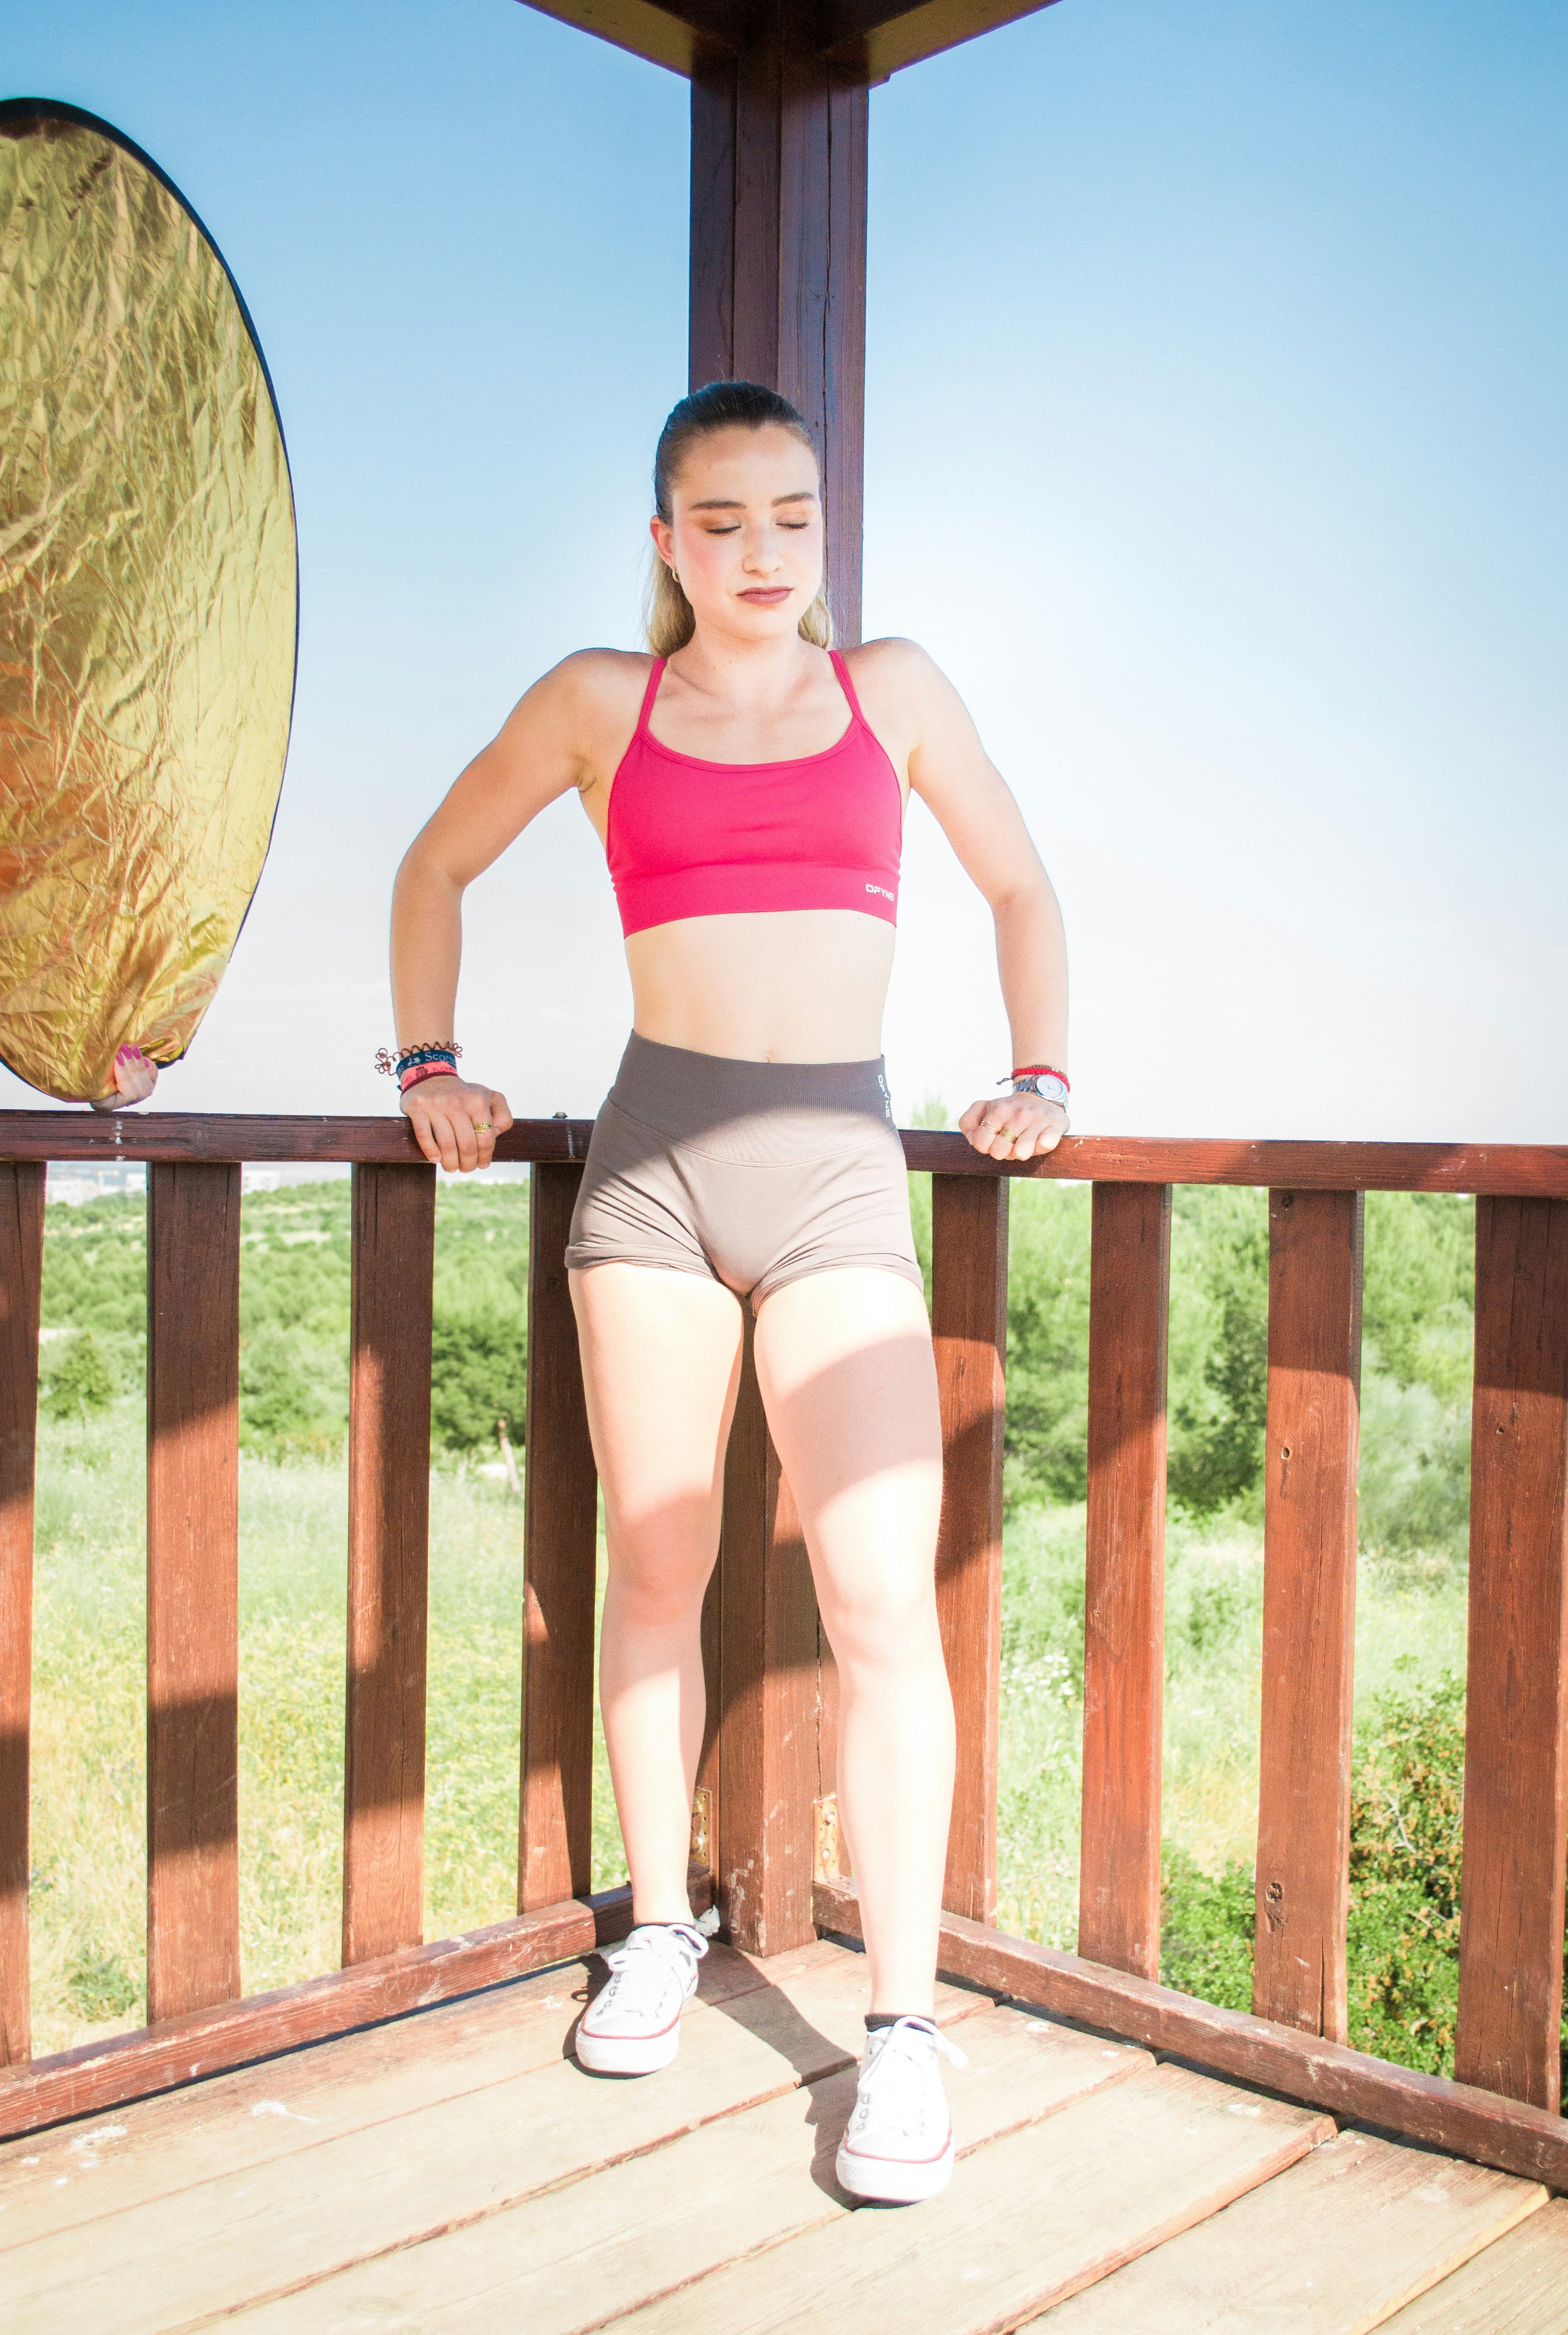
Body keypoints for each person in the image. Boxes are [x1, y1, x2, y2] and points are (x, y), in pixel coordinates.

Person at [387, 381, 1068, 2205]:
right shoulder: (602, 703)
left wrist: (1042, 1078)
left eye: (793, 513)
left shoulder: (893, 690)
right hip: (654, 1174)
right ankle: (665, 1929)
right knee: (663, 1563)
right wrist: (428, 1064)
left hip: (840, 1173)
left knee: (875, 1598)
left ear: (823, 525)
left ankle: (904, 2034)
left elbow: (1019, 884)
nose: (764, 551)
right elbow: (434, 863)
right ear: (667, 537)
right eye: (723, 519)